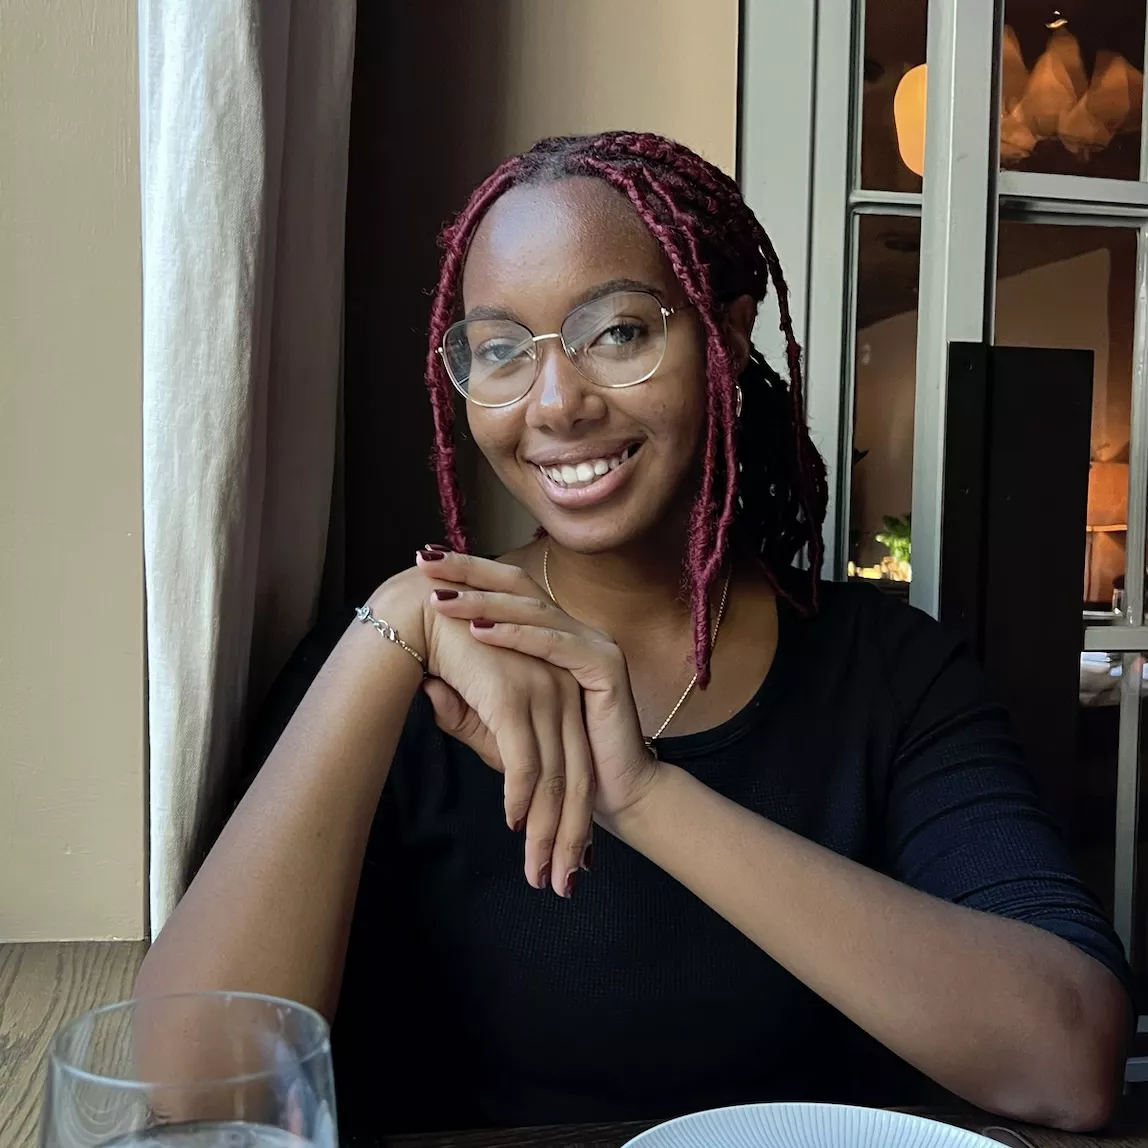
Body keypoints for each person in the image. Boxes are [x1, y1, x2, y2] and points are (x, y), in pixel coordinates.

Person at [135, 132, 1132, 1136]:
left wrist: (642, 792)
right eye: (499, 350)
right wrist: (397, 616)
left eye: (614, 332)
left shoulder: (890, 676)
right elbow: (184, 1092)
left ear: (725, 335)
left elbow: (1066, 1057)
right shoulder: (391, 671)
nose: (555, 401)